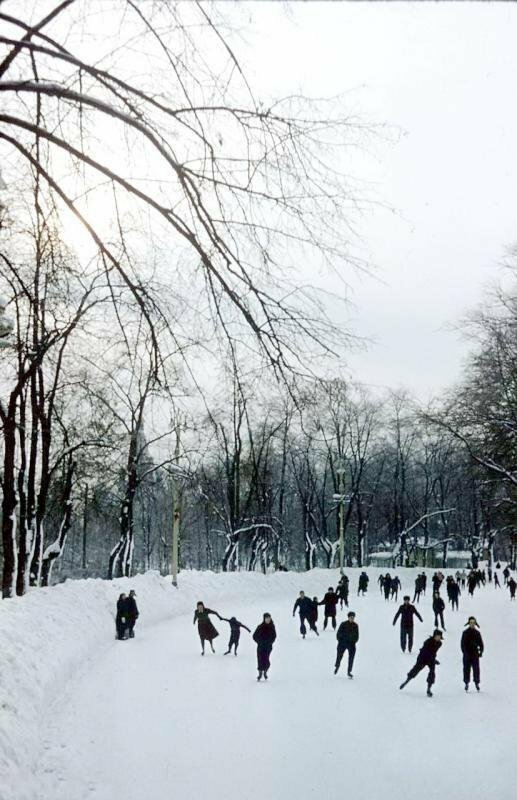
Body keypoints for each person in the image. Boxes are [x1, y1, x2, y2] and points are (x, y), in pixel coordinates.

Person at [399, 629, 443, 697]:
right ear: (434, 635)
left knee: (432, 672)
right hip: (422, 657)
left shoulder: (439, 643)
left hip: (431, 659)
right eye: (438, 636)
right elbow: (425, 652)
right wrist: (433, 659)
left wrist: (434, 660)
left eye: (440, 637)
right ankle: (407, 681)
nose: (439, 638)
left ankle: (429, 689)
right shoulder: (427, 642)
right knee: (416, 670)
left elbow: (433, 652)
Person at [461, 616, 483, 691]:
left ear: (475, 623)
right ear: (469, 623)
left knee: (476, 669)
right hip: (467, 654)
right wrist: (465, 653)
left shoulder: (477, 633)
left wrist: (481, 651)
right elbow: (462, 644)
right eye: (471, 623)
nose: (472, 624)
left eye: (473, 623)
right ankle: (466, 683)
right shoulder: (465, 633)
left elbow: (481, 644)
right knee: (466, 669)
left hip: (475, 654)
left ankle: (477, 682)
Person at [334, 611, 359, 678]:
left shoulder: (355, 625)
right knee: (339, 656)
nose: (352, 618)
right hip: (343, 643)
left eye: (353, 617)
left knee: (351, 658)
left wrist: (353, 641)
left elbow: (357, 636)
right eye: (351, 617)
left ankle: (349, 671)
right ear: (348, 617)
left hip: (351, 644)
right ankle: (337, 666)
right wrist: (341, 640)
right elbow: (338, 634)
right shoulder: (343, 624)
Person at [253, 613, 277, 680]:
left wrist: (270, 642)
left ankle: (265, 672)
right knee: (260, 659)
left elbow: (274, 636)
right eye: (266, 618)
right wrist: (259, 642)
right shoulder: (260, 626)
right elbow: (254, 636)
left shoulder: (272, 627)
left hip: (268, 647)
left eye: (269, 618)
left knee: (266, 659)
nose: (268, 620)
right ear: (264, 619)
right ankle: (260, 673)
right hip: (260, 646)